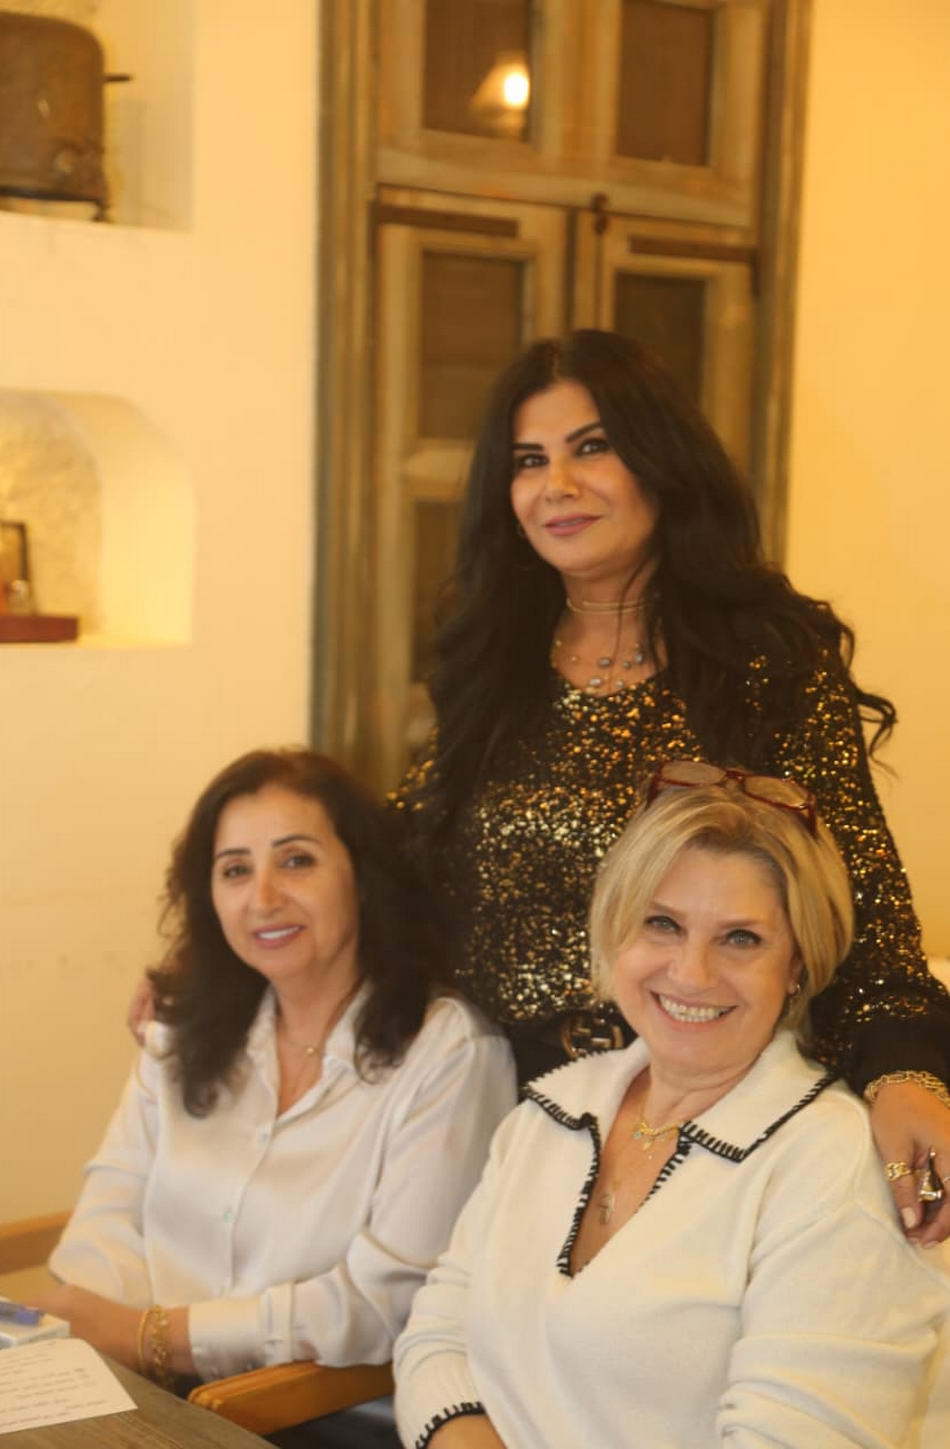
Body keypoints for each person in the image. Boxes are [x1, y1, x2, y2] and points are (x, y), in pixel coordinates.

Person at [393, 329, 950, 1242]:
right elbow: (405, 855)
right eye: (528, 460)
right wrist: (220, 955)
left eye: (591, 447)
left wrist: (906, 1074)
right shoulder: (493, 664)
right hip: (512, 1113)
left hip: (714, 1107)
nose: (555, 485)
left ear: (662, 461)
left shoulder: (763, 660)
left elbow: (866, 908)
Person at [393, 768, 949, 1448]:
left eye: (740, 938)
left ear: (798, 965)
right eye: (662, 924)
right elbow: (437, 1337)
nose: (691, 972)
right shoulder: (549, 1110)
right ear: (616, 931)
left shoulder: (833, 1163)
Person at [40, 748, 515, 1390]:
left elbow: (388, 1300)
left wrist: (154, 1337)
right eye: (235, 870)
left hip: (306, 1417)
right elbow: (111, 1206)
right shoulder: (182, 1025)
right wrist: (105, 1335)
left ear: (363, 877)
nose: (263, 898)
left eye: (296, 861)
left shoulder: (450, 1052)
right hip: (143, 1387)